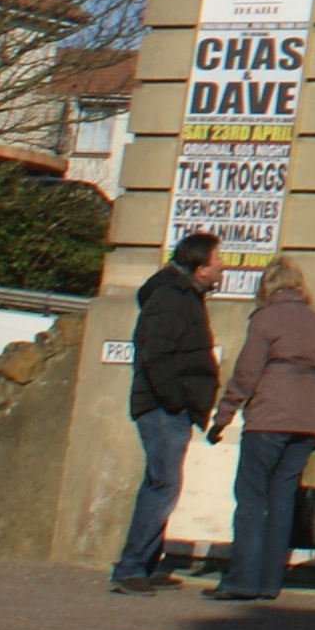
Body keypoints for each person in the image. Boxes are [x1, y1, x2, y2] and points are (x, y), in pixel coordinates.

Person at [205, 255, 315, 604]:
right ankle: (269, 581)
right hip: (306, 421)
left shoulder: (265, 319)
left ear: (268, 285)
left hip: (268, 417)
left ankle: (243, 579)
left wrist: (223, 415)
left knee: (251, 499)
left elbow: (247, 373)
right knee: (282, 501)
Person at [108, 230, 224, 592]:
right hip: (162, 409)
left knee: (161, 483)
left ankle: (144, 564)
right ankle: (131, 567)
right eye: (218, 260)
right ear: (201, 267)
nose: (222, 267)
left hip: (169, 408)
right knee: (163, 485)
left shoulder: (182, 296)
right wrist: (176, 400)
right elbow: (156, 355)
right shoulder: (171, 298)